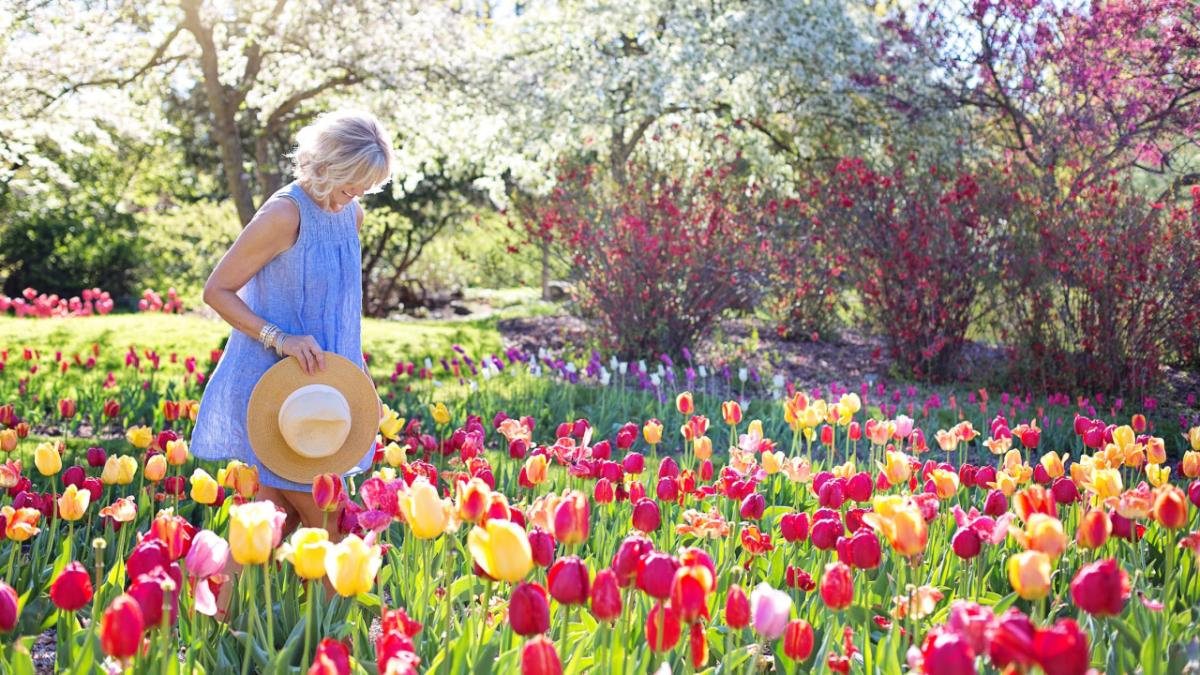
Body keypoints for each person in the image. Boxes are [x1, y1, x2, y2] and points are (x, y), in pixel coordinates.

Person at [191, 109, 394, 537]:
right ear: (325, 166)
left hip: (324, 390)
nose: (355, 196)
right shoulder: (285, 215)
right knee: (333, 525)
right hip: (281, 391)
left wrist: (361, 381)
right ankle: (354, 608)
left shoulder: (350, 215)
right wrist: (279, 338)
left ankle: (210, 605)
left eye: (365, 188)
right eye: (349, 184)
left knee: (267, 527)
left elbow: (342, 315)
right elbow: (217, 291)